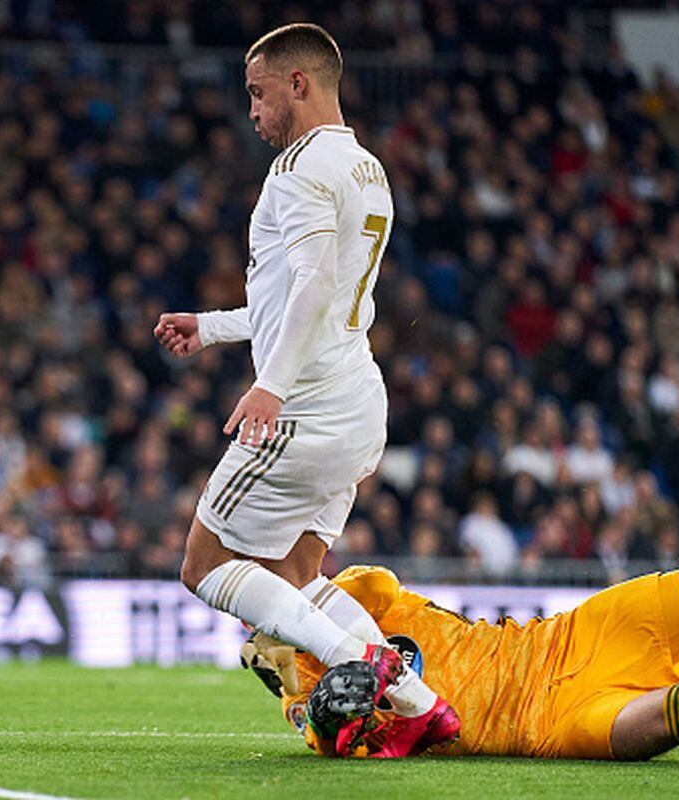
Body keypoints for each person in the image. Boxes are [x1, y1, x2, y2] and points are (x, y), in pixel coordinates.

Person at [153, 21, 457, 757]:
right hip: (359, 401)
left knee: (206, 565)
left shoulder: (297, 172)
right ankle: (420, 705)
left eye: (258, 94)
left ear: (300, 83)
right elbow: (297, 294)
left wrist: (272, 385)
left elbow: (315, 282)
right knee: (295, 575)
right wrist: (216, 327)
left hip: (306, 408)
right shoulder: (364, 167)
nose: (252, 112)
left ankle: (368, 666)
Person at [243, 524, 679, 760]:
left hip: (568, 636)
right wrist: (307, 695)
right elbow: (326, 736)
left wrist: (307, 610)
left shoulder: (354, 594)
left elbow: (376, 582)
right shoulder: (303, 695)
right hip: (552, 721)